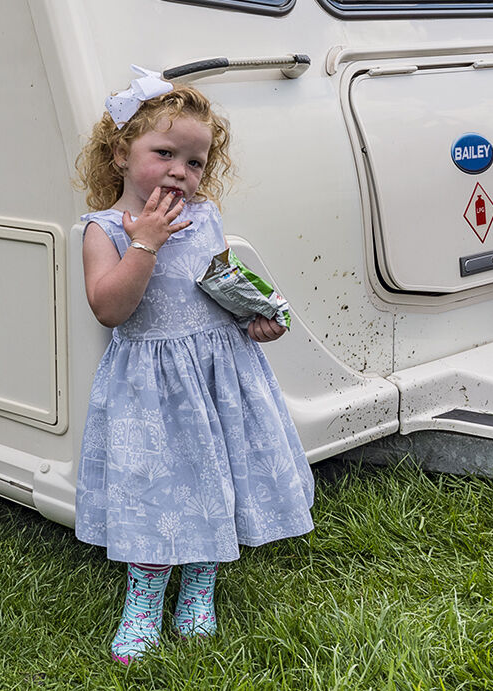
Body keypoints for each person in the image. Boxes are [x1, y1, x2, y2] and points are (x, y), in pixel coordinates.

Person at [74, 67, 314, 664]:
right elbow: (110, 307)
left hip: (218, 373)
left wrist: (256, 317)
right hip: (151, 388)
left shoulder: (205, 218)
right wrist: (147, 243)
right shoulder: (104, 230)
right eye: (165, 153)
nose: (182, 171)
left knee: (215, 476)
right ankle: (145, 597)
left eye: (196, 161)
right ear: (120, 155)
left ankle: (199, 588)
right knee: (155, 486)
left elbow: (221, 281)